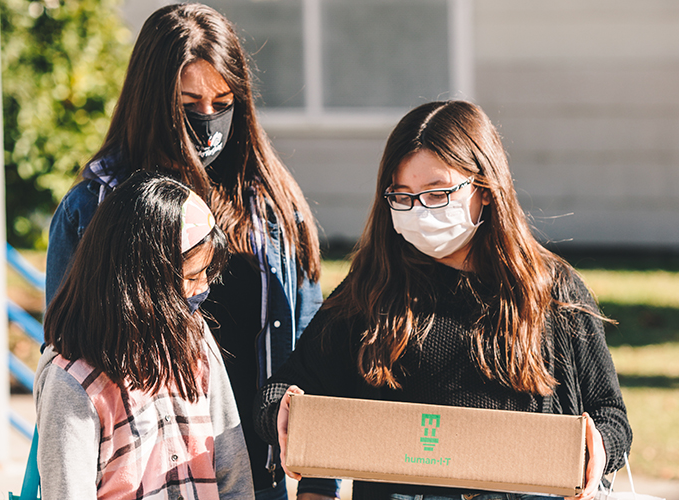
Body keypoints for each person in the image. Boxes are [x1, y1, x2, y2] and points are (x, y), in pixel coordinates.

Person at [253, 100, 632, 500]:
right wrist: (282, 411)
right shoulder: (373, 288)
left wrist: (598, 447)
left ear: (484, 189)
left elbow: (611, 416)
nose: (420, 212)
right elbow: (286, 387)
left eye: (437, 194)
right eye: (403, 196)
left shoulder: (551, 290)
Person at [44, 3, 337, 499]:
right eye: (188, 102)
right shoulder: (93, 209)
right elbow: (68, 367)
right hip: (138, 483)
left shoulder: (272, 207)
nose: (207, 120)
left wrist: (320, 483)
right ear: (152, 100)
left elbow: (311, 359)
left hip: (255, 480)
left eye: (222, 101)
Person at [35, 172, 253, 499]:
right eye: (192, 276)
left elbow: (232, 471)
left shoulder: (197, 340)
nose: (204, 287)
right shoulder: (72, 382)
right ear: (146, 280)